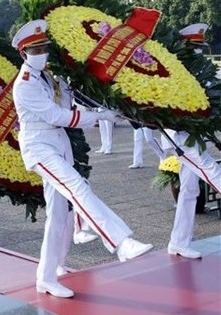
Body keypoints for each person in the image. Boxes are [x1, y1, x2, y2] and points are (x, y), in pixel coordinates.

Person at [11, 19, 154, 299]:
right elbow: (59, 116)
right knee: (78, 186)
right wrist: (100, 117)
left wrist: (105, 106)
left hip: (58, 144)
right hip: (39, 147)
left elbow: (73, 101)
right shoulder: (24, 84)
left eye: (44, 47)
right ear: (23, 54)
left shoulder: (50, 77)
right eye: (36, 49)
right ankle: (120, 242)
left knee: (56, 216)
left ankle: (46, 277)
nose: (42, 53)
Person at [160, 23, 221, 259]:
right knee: (210, 169)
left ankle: (178, 241)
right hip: (180, 135)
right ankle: (179, 242)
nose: (198, 51)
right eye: (194, 46)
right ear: (184, 46)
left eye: (199, 47)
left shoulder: (197, 71)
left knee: (189, 189)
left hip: (192, 134)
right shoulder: (176, 72)